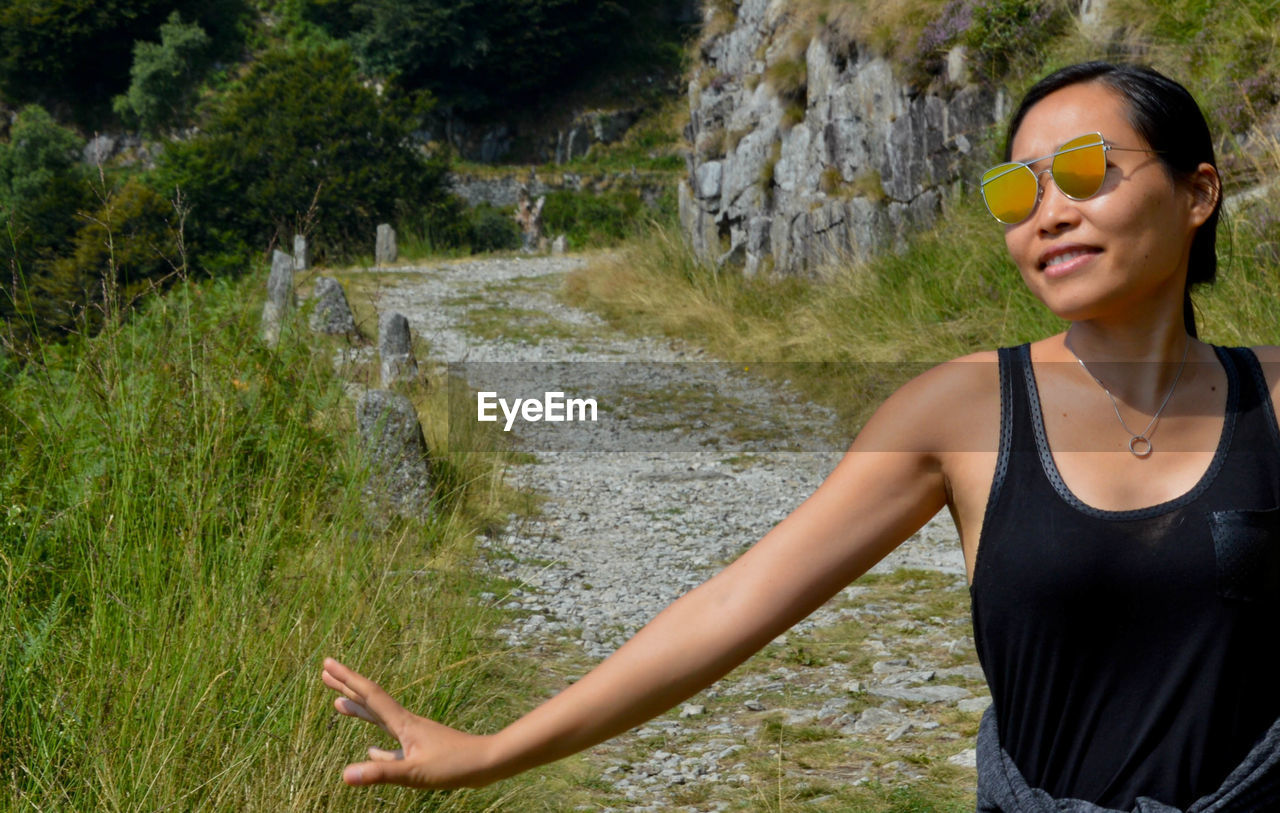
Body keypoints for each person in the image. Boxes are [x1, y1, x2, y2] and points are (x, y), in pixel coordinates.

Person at [322, 62, 1280, 810]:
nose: (1049, 211)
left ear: (1198, 194)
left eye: (1084, 172)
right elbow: (735, 602)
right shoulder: (960, 411)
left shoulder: (1273, 401)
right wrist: (493, 752)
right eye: (1015, 191)